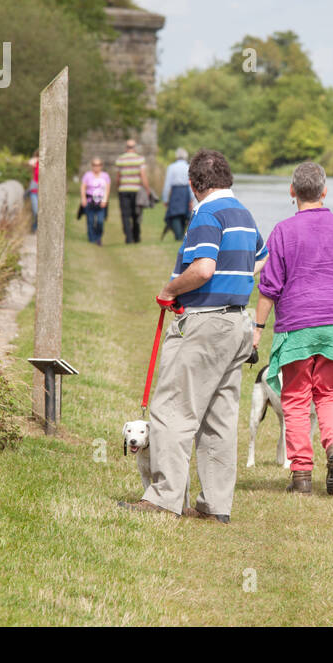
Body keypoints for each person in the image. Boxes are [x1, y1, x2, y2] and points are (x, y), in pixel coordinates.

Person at [121, 149, 267, 521]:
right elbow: (262, 257)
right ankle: (215, 507)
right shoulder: (243, 213)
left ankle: (163, 499)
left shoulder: (207, 214)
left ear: (193, 184)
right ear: (227, 178)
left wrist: (170, 290)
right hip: (237, 322)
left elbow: (202, 269)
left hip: (205, 322)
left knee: (172, 409)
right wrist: (236, 279)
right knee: (219, 417)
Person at [253, 162, 333, 495]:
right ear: (324, 191)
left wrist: (258, 329)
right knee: (330, 394)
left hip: (297, 326)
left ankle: (302, 477)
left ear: (292, 191)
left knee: (295, 398)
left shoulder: (283, 231)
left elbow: (269, 286)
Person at [114, 139, 146, 244]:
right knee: (136, 213)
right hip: (137, 190)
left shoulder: (120, 159)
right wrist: (147, 189)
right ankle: (136, 236)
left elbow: (118, 178)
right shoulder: (140, 159)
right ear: (135, 148)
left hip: (123, 190)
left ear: (126, 148)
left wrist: (117, 187)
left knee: (125, 215)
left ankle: (128, 238)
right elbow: (143, 176)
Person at [162, 147, 193, 241]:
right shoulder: (188, 167)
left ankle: (178, 236)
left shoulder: (171, 167)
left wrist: (165, 198)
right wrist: (192, 198)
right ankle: (180, 236)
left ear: (176, 156)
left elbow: (167, 184)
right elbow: (191, 183)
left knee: (175, 214)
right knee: (184, 214)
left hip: (175, 191)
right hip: (185, 191)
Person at [80, 157, 111, 245]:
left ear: (101, 166)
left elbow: (107, 189)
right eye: (94, 165)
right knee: (90, 221)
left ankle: (98, 237)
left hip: (101, 201)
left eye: (98, 165)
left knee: (100, 221)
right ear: (92, 166)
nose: (96, 167)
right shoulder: (87, 175)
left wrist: (105, 200)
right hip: (90, 201)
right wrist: (83, 198)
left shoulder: (105, 176)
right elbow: (83, 187)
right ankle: (91, 238)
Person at [27, 150, 40, 233]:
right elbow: (30, 162)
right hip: (34, 190)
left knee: (41, 212)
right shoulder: (36, 163)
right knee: (35, 211)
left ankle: (36, 227)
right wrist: (37, 158)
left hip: (42, 192)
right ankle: (34, 227)